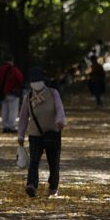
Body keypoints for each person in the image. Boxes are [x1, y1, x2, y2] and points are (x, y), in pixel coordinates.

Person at [22, 66, 66, 197]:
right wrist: (20, 135)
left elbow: (60, 109)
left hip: (53, 133)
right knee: (34, 161)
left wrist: (60, 120)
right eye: (33, 80)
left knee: (53, 162)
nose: (35, 83)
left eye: (38, 80)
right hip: (35, 134)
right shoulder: (28, 97)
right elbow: (23, 117)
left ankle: (53, 185)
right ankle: (31, 185)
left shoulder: (53, 93)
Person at [0, 56, 26, 133]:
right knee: (13, 110)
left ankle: (5, 126)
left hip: (3, 93)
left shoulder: (0, 69)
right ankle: (11, 126)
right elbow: (20, 78)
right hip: (12, 93)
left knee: (4, 110)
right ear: (12, 61)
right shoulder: (13, 69)